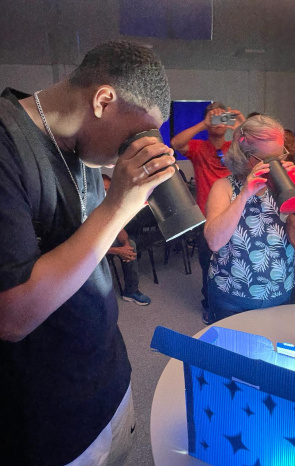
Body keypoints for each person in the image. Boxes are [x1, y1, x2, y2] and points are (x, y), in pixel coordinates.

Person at [0, 40, 175, 465]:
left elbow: (75, 236)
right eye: (137, 134)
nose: (137, 146)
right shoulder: (8, 145)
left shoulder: (84, 147)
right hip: (51, 415)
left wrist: (114, 231)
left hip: (110, 377)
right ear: (103, 99)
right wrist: (117, 208)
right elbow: (12, 317)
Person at [204, 115, 295, 324]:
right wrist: (244, 195)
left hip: (279, 293)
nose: (278, 164)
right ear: (244, 157)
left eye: (280, 156)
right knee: (230, 353)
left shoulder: (285, 186)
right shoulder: (224, 187)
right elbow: (214, 242)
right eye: (268, 160)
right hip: (231, 295)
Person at [170, 102, 245, 323]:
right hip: (207, 217)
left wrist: (239, 124)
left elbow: (253, 146)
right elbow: (175, 143)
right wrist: (204, 124)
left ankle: (234, 301)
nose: (219, 120)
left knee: (236, 261)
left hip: (235, 215)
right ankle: (209, 303)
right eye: (214, 117)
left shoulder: (235, 147)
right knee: (208, 264)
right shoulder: (198, 148)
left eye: (224, 117)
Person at [102, 174, 151, 305]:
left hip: (108, 240)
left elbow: (119, 228)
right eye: (103, 190)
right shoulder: (90, 209)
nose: (106, 193)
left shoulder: (112, 204)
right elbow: (89, 247)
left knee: (131, 246)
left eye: (109, 189)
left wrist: (126, 244)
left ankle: (131, 291)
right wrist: (117, 251)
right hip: (92, 249)